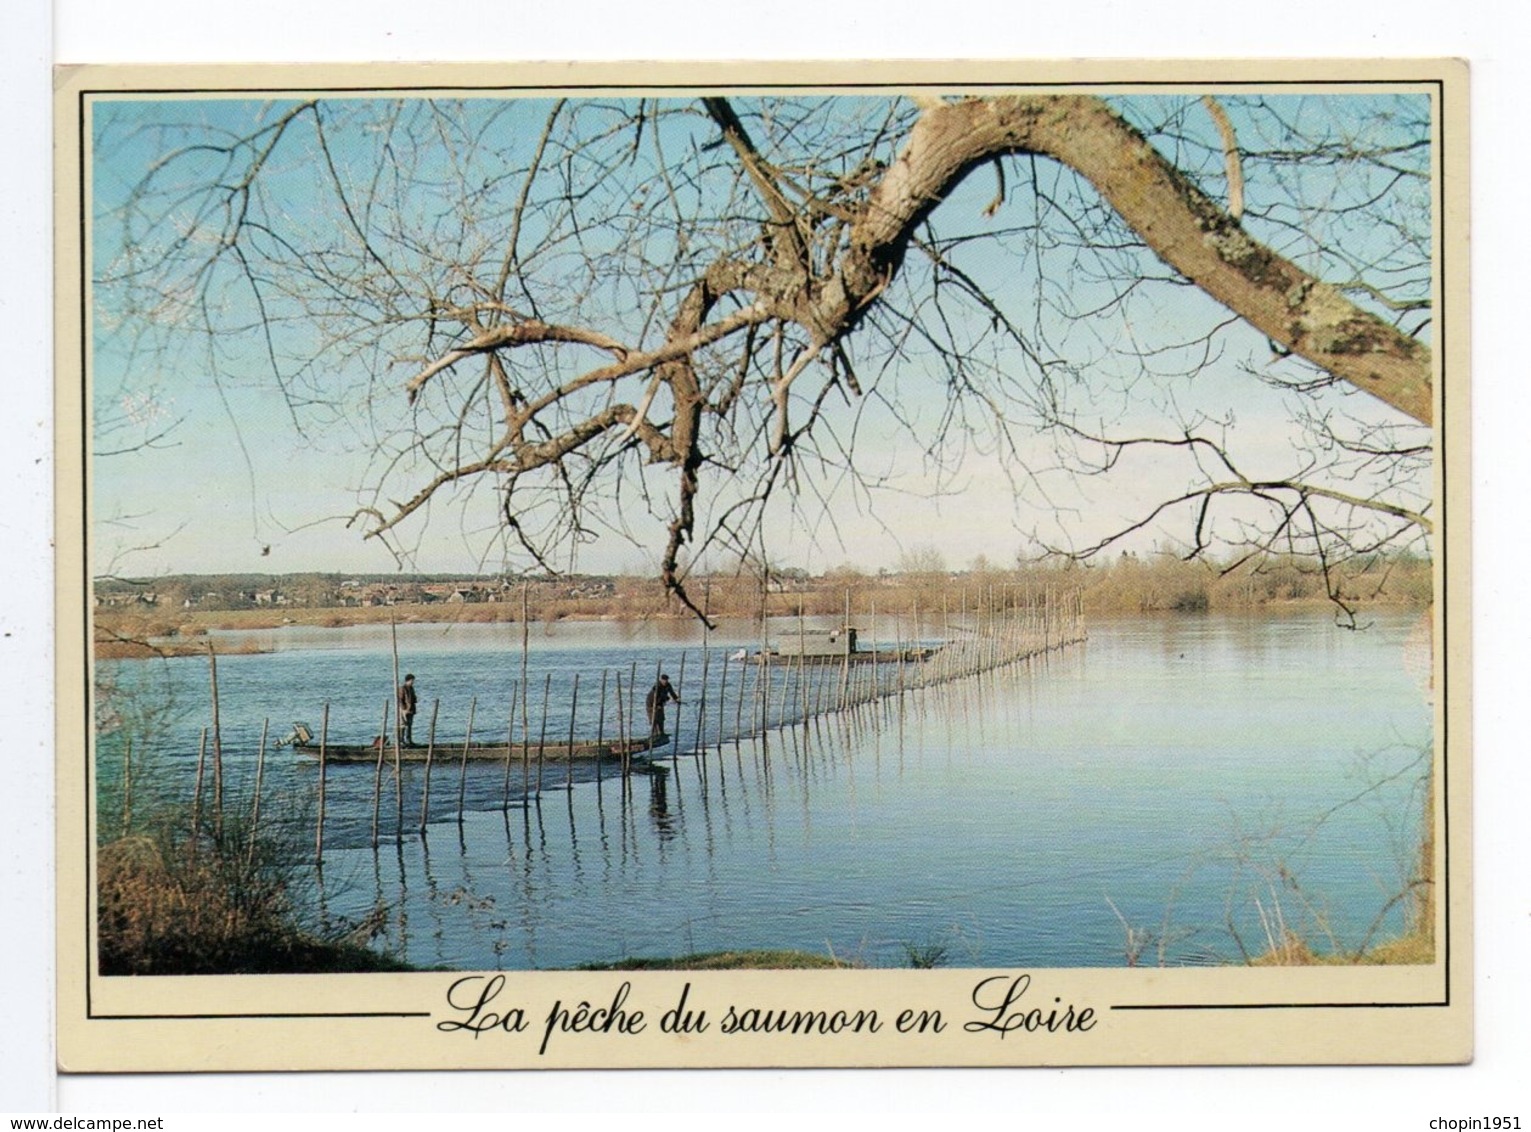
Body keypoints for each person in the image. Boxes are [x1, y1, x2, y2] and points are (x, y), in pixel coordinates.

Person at [645, 674, 680, 739]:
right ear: (661, 680)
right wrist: (665, 699)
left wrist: (676, 699)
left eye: (666, 680)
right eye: (664, 680)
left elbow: (672, 692)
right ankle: (654, 735)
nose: (665, 682)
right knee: (654, 719)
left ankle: (662, 733)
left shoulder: (668, 685)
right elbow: (657, 696)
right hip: (651, 704)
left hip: (660, 703)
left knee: (661, 718)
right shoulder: (657, 686)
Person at [397, 673, 418, 747]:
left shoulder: (411, 688)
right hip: (404, 710)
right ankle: (401, 740)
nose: (413, 682)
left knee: (409, 725)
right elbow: (400, 699)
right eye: (412, 680)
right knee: (403, 725)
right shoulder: (402, 688)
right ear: (408, 680)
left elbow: (413, 698)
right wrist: (403, 709)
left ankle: (409, 740)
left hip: (411, 709)